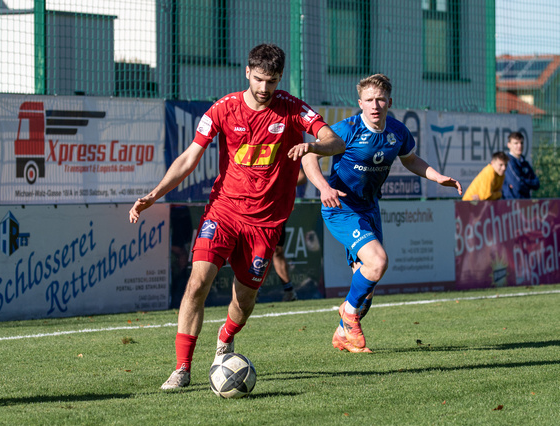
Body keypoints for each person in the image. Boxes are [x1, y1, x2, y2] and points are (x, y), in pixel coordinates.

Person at [129, 43, 345, 390]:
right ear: (247, 72)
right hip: (224, 210)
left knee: (243, 301)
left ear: (279, 79)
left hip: (266, 221)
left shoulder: (292, 108)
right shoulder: (223, 109)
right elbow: (189, 158)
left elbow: (335, 141)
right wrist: (155, 195)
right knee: (198, 282)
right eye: (258, 79)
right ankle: (182, 368)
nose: (264, 88)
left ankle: (226, 337)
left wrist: (313, 145)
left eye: (271, 81)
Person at [301, 74, 462, 353]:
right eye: (369, 100)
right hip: (341, 207)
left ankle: (342, 334)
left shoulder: (397, 132)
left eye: (380, 99)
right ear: (360, 103)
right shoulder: (347, 129)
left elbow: (411, 159)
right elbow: (309, 156)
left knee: (367, 290)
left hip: (369, 208)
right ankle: (348, 314)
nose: (375, 105)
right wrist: (324, 187)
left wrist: (437, 177)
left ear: (389, 101)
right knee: (378, 262)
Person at [273, 168, 307, 302]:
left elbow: (302, 177)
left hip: (278, 209)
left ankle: (289, 291)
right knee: (259, 250)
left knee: (276, 251)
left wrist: (276, 183)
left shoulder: (285, 151)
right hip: (255, 206)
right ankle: (252, 292)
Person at [501, 131, 540, 199]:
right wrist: (529, 184)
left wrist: (524, 181)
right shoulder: (508, 162)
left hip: (525, 203)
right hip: (512, 204)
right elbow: (518, 185)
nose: (519, 146)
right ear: (509, 145)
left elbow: (536, 183)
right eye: (516, 143)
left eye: (521, 143)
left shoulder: (524, 163)